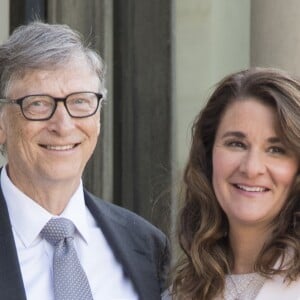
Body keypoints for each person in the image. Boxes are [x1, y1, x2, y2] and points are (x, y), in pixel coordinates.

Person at [0, 21, 169, 300]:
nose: (63, 125)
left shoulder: (145, 245)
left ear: (99, 117)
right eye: (38, 103)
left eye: (80, 101)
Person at [167, 68, 300, 299]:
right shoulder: (180, 291)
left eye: (276, 150)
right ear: (208, 156)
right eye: (236, 144)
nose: (251, 168)